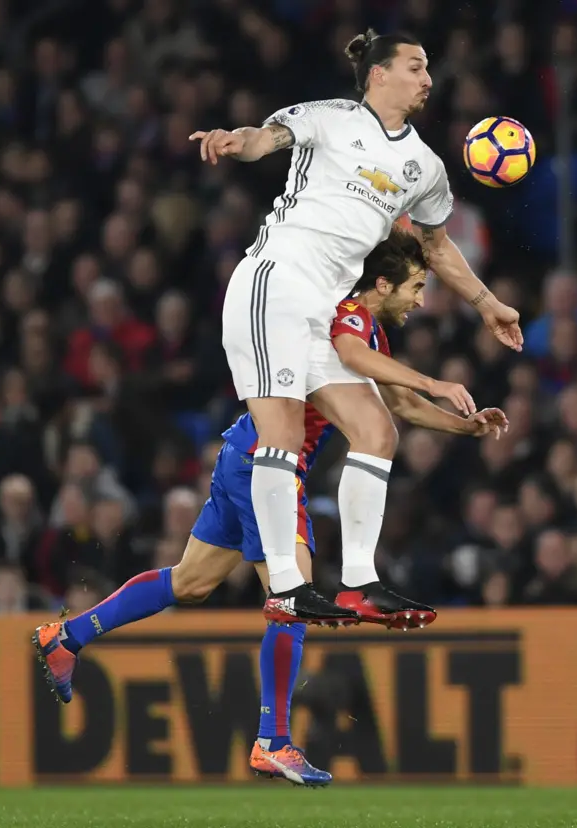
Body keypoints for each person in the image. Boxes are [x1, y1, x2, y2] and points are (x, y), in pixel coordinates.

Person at [33, 231, 508, 786]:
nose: (421, 300)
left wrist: (464, 427)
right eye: (416, 287)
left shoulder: (368, 324)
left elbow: (397, 401)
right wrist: (438, 382)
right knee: (293, 594)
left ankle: (66, 637)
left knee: (190, 583)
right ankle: (273, 740)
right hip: (269, 467)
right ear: (382, 283)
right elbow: (357, 358)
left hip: (244, 453)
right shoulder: (348, 313)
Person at [189, 28, 522, 625]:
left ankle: (358, 584)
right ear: (378, 74)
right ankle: (287, 588)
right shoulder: (329, 118)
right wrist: (233, 139)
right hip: (274, 281)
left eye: (428, 69)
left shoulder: (424, 165)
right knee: (282, 432)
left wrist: (487, 303)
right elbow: (264, 139)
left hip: (322, 304)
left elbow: (436, 245)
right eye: (416, 67)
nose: (427, 78)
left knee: (375, 429)